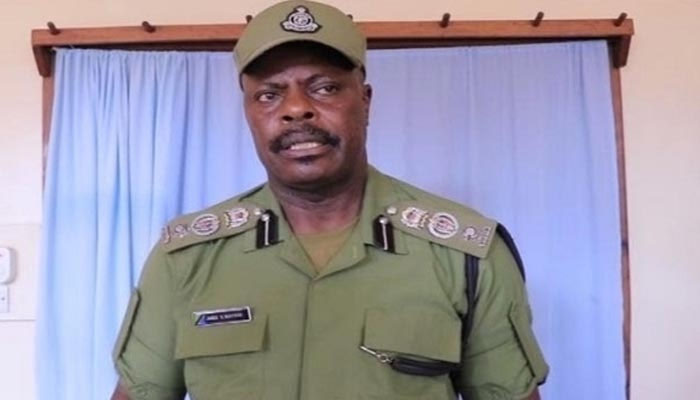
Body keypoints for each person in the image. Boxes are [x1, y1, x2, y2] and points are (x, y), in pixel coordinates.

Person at [111, 1, 549, 399]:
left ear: (365, 101)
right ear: (249, 114)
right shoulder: (186, 258)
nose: (296, 109)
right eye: (269, 94)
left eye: (324, 88)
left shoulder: (465, 254)